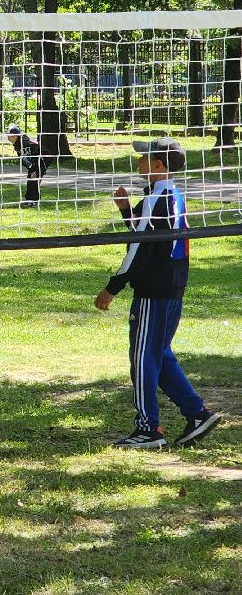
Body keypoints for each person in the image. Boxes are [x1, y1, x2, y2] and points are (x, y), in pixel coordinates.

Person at [94, 136, 221, 449]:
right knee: (158, 355)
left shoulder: (156, 198)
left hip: (155, 291)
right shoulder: (170, 193)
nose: (138, 162)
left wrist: (113, 287)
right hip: (173, 287)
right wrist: (126, 210)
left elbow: (140, 248)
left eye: (144, 158)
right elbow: (147, 233)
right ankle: (198, 413)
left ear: (159, 165)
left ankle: (148, 429)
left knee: (142, 359)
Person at [6, 125, 48, 208]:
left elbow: (36, 154)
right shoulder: (18, 144)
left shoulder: (24, 144)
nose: (8, 138)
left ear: (14, 136)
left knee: (34, 180)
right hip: (33, 163)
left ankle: (35, 201)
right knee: (30, 180)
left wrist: (34, 169)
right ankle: (29, 200)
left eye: (9, 136)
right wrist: (31, 168)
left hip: (41, 160)